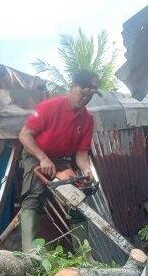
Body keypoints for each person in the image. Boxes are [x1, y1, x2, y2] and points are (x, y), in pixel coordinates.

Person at [17, 69, 100, 251]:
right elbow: (24, 135)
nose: (86, 97)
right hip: (35, 153)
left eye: (91, 94)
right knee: (34, 193)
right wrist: (43, 158)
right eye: (83, 91)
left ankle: (83, 253)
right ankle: (29, 250)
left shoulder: (87, 119)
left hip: (60, 159)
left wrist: (87, 171)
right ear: (72, 86)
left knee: (76, 198)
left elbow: (81, 154)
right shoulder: (48, 107)